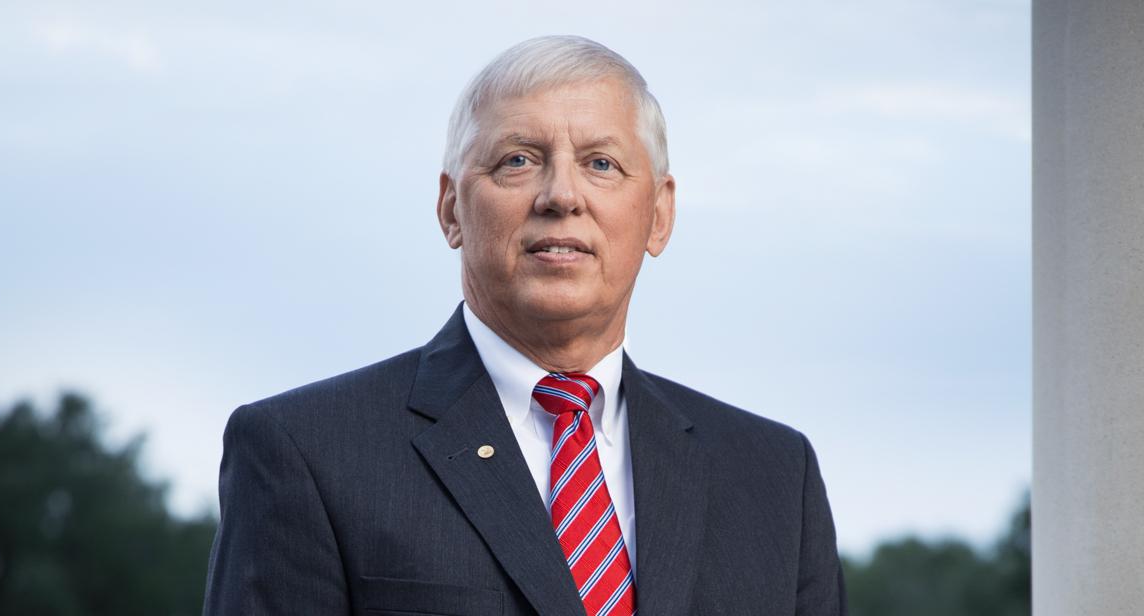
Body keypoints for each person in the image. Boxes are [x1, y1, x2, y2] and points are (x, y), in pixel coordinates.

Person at [202, 35, 846, 616]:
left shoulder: (774, 477)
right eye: (517, 160)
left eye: (601, 164)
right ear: (450, 208)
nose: (561, 195)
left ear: (658, 215)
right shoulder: (304, 451)